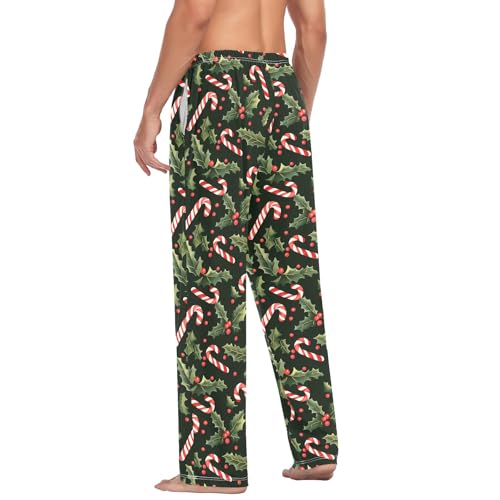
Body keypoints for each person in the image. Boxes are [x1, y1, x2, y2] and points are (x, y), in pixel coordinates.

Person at [133, 0, 338, 493]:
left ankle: (214, 466)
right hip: (281, 89)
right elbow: (314, 30)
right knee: (291, 278)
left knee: (209, 280)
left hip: (218, 90)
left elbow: (195, 13)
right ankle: (316, 448)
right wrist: (292, 113)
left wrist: (151, 109)